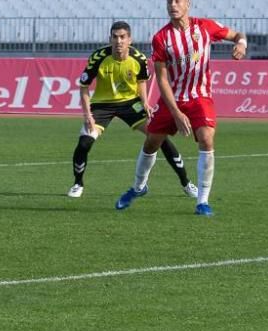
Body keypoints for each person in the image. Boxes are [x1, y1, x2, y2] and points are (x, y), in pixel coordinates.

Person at [115, 0, 247, 216]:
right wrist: (176, 113)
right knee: (151, 143)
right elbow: (163, 80)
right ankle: (138, 188)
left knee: (206, 139)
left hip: (200, 97)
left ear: (188, 4)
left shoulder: (205, 27)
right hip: (171, 101)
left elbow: (237, 35)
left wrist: (241, 44)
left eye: (177, 0)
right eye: (169, 1)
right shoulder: (161, 38)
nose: (173, 5)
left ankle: (202, 202)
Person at [69, 21, 197, 199]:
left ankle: (186, 183)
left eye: (122, 37)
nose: (118, 41)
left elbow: (142, 81)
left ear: (130, 39)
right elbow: (84, 87)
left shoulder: (139, 59)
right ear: (110, 39)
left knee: (160, 137)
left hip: (131, 103)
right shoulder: (98, 57)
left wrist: (144, 102)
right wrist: (87, 115)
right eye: (115, 37)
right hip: (101, 105)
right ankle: (78, 183)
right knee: (84, 143)